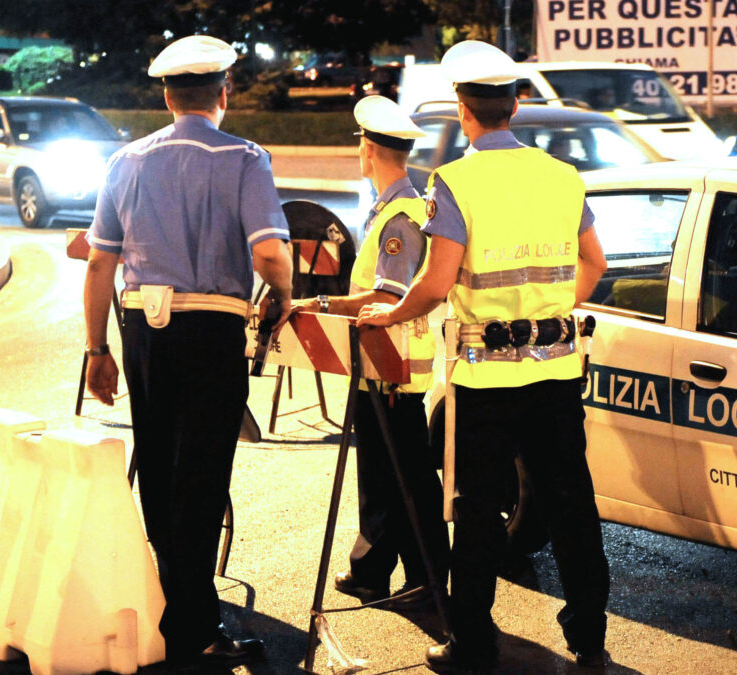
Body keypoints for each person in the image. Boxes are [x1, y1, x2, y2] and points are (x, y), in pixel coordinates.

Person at [357, 40, 611, 672]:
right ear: (517, 107)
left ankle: (471, 641)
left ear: (464, 114)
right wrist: (546, 312)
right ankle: (589, 633)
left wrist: (390, 314)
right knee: (572, 501)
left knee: (478, 509)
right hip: (556, 369)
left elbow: (437, 283)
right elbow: (595, 265)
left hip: (486, 379)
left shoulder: (456, 182)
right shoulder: (562, 176)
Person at [82, 34, 293, 668]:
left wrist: (97, 349)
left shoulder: (126, 161)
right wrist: (280, 294)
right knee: (201, 477)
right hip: (211, 331)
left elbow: (98, 264)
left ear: (167, 96)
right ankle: (196, 629)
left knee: (162, 472)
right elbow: (269, 253)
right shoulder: (244, 159)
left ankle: (174, 607)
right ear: (224, 93)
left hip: (141, 328)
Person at [296, 95, 448, 610]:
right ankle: (381, 570)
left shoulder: (400, 216)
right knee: (389, 477)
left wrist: (320, 302)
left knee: (404, 480)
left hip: (393, 367)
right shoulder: (393, 207)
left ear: (368, 150)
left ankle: (426, 577)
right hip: (384, 365)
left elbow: (388, 297)